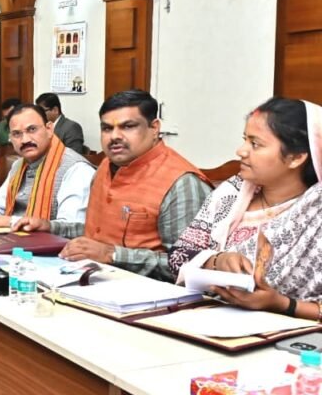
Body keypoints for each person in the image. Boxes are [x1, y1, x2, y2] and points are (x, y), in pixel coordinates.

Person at [14, 89, 211, 281]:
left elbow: (193, 264)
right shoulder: (106, 167)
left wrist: (113, 255)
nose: (114, 136)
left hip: (148, 295)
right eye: (107, 128)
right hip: (92, 280)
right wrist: (49, 227)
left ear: (154, 128)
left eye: (128, 126)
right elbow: (98, 234)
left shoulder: (182, 183)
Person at [171, 98, 322, 318]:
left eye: (255, 144)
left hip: (291, 332)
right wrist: (217, 261)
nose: (240, 151)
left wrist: (281, 304)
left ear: (296, 158)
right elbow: (177, 257)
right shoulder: (231, 193)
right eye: (244, 140)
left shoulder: (316, 213)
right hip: (206, 317)